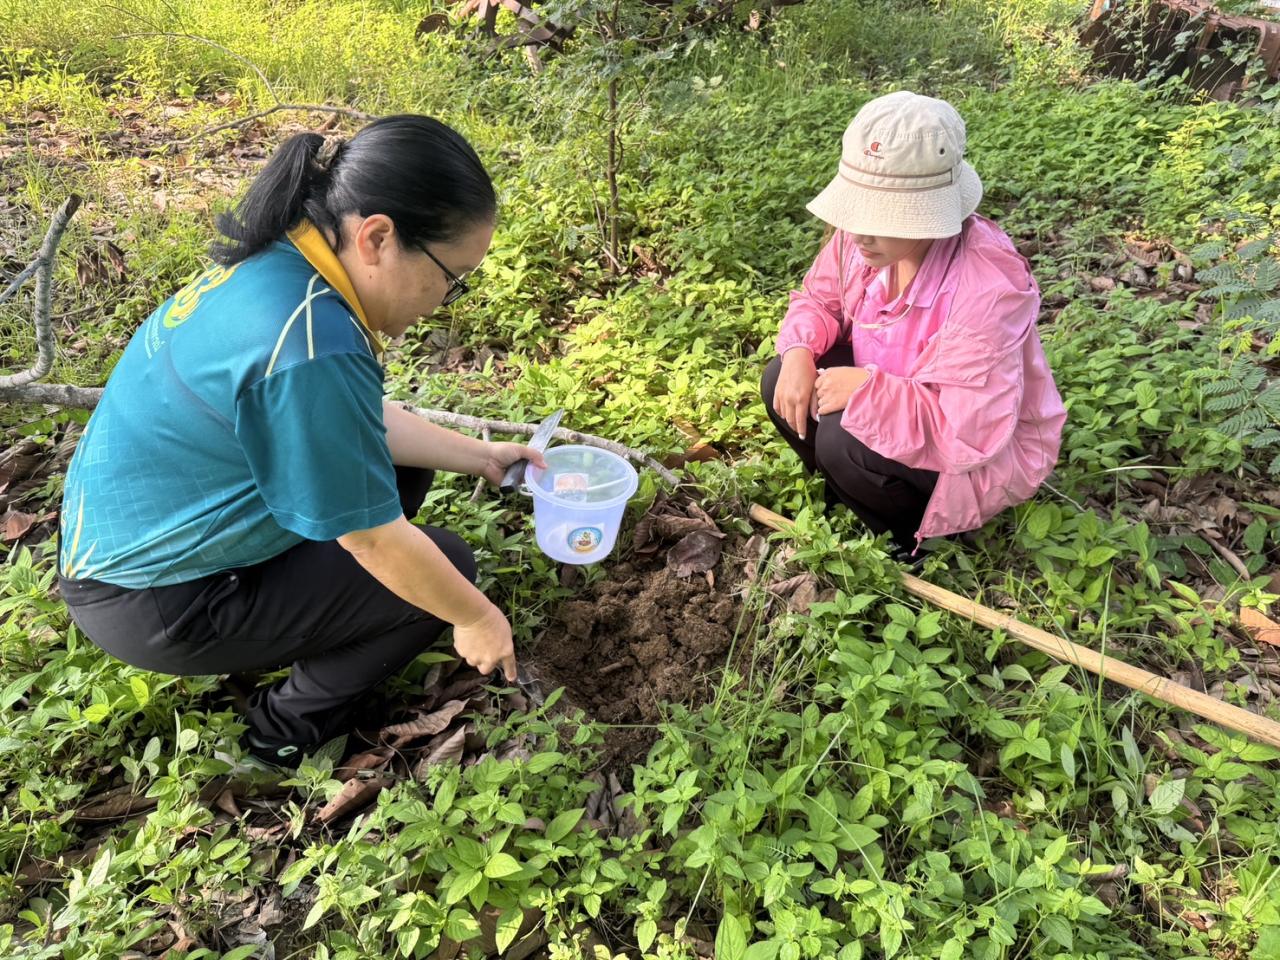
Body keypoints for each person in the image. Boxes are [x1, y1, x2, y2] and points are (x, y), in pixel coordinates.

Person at [57, 115, 543, 768]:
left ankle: (308, 613)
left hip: (130, 548)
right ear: (378, 237)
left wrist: (483, 456)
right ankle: (284, 729)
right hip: (154, 600)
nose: (445, 299)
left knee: (402, 474)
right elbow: (372, 537)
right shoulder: (310, 342)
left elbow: (347, 420)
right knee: (446, 570)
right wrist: (476, 618)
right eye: (452, 277)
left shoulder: (287, 263)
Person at [762, 91, 1066, 559]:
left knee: (843, 438)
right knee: (778, 377)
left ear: (928, 213)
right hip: (899, 391)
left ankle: (912, 538)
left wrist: (866, 390)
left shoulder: (985, 285)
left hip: (970, 443)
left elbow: (968, 430)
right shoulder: (864, 243)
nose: (858, 233)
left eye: (880, 216)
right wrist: (800, 353)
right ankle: (846, 494)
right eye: (856, 212)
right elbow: (819, 299)